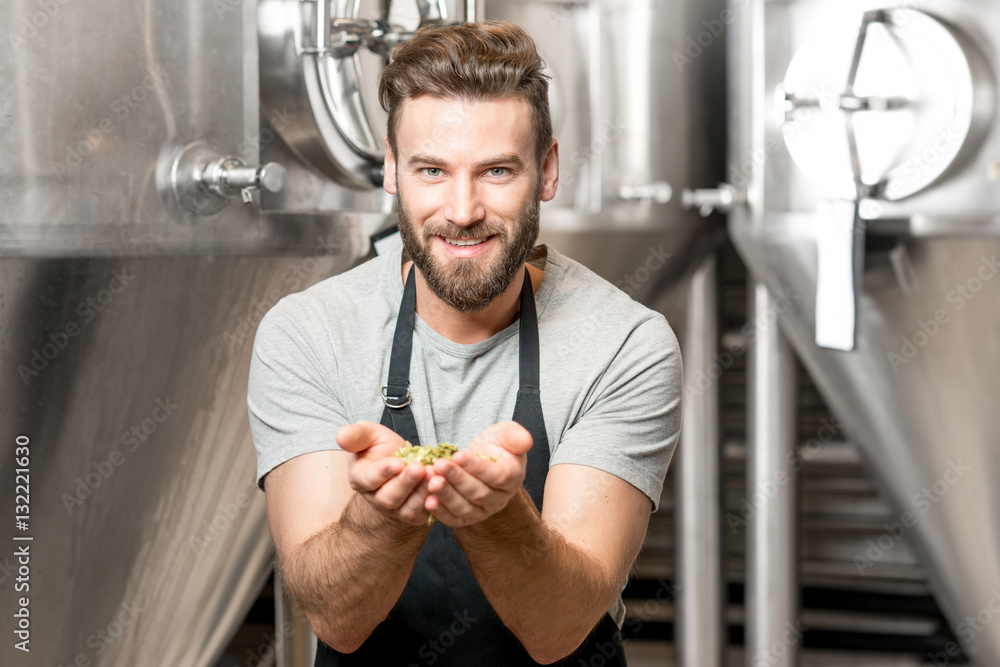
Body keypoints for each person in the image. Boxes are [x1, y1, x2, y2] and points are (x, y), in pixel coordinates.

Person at [248, 20, 682, 667]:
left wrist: (497, 517)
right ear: (393, 171)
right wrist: (382, 518)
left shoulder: (624, 343)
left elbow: (559, 625)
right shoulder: (307, 332)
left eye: (497, 170)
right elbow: (336, 618)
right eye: (432, 169)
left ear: (547, 170)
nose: (462, 208)